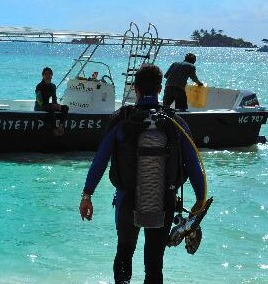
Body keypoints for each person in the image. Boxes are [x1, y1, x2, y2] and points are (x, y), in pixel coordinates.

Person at [78, 65, 205, 284]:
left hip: (127, 201)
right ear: (160, 89)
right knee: (154, 263)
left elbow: (100, 160)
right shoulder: (175, 122)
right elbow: (194, 166)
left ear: (135, 89)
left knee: (124, 253)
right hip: (164, 201)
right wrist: (199, 203)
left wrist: (87, 194)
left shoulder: (121, 120)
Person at [35, 67, 69, 135]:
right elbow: (39, 101)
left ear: (52, 75)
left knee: (65, 107)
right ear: (43, 75)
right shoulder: (39, 86)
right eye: (46, 74)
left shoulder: (53, 86)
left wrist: (57, 105)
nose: (48, 76)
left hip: (48, 105)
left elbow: (54, 100)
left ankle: (61, 126)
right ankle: (54, 129)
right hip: (39, 106)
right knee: (51, 108)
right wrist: (53, 106)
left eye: (49, 74)